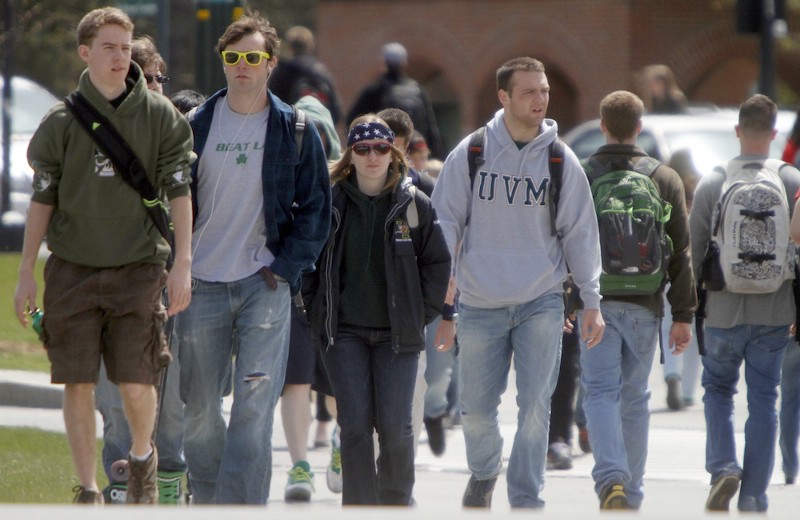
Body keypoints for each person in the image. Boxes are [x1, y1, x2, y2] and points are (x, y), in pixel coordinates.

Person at [13, 7, 195, 504]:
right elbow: (41, 200)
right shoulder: (59, 122)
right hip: (72, 268)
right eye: (109, 47)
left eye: (124, 46)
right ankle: (89, 488)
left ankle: (141, 457)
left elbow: (180, 191)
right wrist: (26, 272)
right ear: (85, 52)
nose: (119, 56)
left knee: (136, 381)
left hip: (138, 267)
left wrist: (183, 264)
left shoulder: (161, 117)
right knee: (76, 382)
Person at [431, 56, 605, 509]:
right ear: (503, 97)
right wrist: (444, 282)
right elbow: (445, 221)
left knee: (536, 406)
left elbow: (580, 231)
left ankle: (527, 496)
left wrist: (591, 299)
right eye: (528, 91)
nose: (540, 99)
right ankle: (485, 470)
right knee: (474, 410)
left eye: (543, 90)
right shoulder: (471, 153)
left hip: (541, 301)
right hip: (479, 302)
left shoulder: (559, 158)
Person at [174, 11, 331, 505]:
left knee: (254, 407)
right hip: (200, 283)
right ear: (222, 62)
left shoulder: (296, 129)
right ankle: (208, 497)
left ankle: (238, 507)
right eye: (233, 57)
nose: (242, 66)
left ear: (270, 63)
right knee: (198, 408)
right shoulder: (193, 126)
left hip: (263, 285)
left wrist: (282, 269)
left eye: (252, 57)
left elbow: (316, 212)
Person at [304, 114, 451, 505]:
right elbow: (310, 261)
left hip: (397, 334)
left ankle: (395, 503)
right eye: (363, 148)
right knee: (353, 426)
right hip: (344, 332)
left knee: (396, 428)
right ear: (351, 154)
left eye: (381, 148)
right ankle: (359, 507)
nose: (373, 156)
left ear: (394, 153)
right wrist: (315, 310)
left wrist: (420, 312)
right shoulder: (330, 201)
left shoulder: (414, 202)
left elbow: (438, 263)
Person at [579, 90, 695, 510]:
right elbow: (680, 251)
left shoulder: (585, 173)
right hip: (646, 306)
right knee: (636, 398)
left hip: (595, 304)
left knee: (599, 392)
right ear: (639, 127)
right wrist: (683, 314)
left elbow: (566, 241)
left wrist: (568, 299)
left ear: (603, 123)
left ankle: (611, 476)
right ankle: (633, 491)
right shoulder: (663, 177)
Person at [91, 32, 188, 506]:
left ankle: (167, 483)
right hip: (106, 286)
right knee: (113, 401)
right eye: (142, 78)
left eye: (158, 78)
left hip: (166, 286)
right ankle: (118, 489)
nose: (153, 86)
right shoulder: (92, 132)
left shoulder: (176, 133)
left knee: (168, 403)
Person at [691, 94, 800, 513]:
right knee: (764, 400)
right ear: (774, 134)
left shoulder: (713, 180)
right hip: (775, 314)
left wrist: (688, 311)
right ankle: (754, 494)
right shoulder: (791, 182)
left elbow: (695, 251)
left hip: (722, 311)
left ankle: (723, 468)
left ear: (737, 130)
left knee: (717, 390)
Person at [279, 94, 340, 503]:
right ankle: (299, 464)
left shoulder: (345, 185)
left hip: (334, 299)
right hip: (293, 291)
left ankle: (342, 442)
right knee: (295, 381)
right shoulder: (280, 176)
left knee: (336, 386)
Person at [347, 42, 444, 159]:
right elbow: (431, 128)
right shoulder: (417, 89)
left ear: (384, 62)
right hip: (416, 153)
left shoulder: (376, 89)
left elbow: (352, 120)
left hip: (385, 153)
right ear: (404, 62)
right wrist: (435, 157)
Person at [268, 25, 342, 125]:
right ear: (311, 46)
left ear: (289, 47)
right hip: (320, 133)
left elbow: (272, 106)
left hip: (290, 133)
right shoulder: (322, 72)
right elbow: (336, 112)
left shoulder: (282, 72)